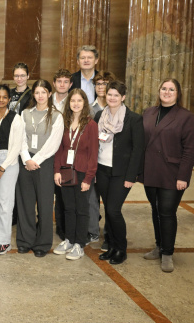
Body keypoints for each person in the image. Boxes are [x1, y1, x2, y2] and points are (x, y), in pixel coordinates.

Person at [142, 78, 194, 273]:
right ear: (159, 91)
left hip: (172, 173)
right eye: (164, 88)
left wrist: (183, 176)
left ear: (177, 94)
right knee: (155, 209)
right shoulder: (149, 112)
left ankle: (167, 253)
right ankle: (159, 246)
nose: (166, 92)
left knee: (167, 211)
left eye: (171, 89)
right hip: (151, 171)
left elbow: (190, 150)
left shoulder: (186, 117)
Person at [94, 81, 144, 265]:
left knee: (114, 210)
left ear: (123, 97)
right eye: (109, 94)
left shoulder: (133, 119)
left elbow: (138, 149)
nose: (112, 98)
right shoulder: (99, 115)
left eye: (116, 95)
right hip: (102, 169)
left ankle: (121, 249)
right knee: (108, 209)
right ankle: (112, 247)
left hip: (121, 173)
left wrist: (132, 176)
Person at [16, 79, 64, 257]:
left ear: (49, 94)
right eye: (37, 92)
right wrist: (26, 159)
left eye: (44, 92)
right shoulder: (26, 113)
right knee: (25, 203)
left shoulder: (57, 116)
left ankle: (43, 243)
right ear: (33, 95)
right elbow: (20, 138)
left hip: (45, 163)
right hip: (25, 162)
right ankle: (25, 240)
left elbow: (54, 143)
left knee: (44, 204)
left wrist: (36, 160)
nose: (40, 96)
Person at [53, 89, 98, 261]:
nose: (76, 104)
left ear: (84, 103)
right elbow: (59, 149)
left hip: (82, 172)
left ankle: (79, 243)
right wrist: (56, 170)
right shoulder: (64, 122)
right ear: (68, 103)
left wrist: (88, 178)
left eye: (79, 101)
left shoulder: (91, 125)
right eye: (73, 101)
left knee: (82, 209)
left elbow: (94, 154)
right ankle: (69, 240)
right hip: (65, 170)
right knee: (68, 208)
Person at [0, 84, 24, 255]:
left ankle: (4, 241)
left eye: (4, 97)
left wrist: (2, 167)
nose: (1, 100)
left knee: (4, 203)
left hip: (8, 162)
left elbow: (16, 147)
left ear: (9, 99)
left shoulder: (16, 118)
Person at [87, 70, 115, 244]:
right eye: (98, 84)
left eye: (105, 83)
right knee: (91, 198)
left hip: (110, 159)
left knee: (111, 201)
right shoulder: (89, 108)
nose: (101, 87)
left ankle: (110, 234)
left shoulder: (116, 109)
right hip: (93, 158)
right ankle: (92, 231)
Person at [51, 68, 73, 240]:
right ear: (54, 83)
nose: (62, 84)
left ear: (70, 84)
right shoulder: (46, 99)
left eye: (66, 81)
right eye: (59, 81)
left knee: (62, 193)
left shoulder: (73, 103)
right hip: (45, 152)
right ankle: (42, 221)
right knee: (45, 191)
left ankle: (62, 227)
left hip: (64, 152)